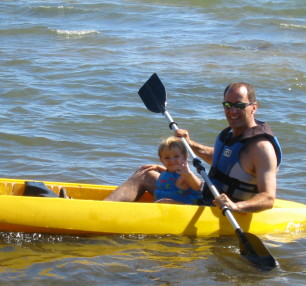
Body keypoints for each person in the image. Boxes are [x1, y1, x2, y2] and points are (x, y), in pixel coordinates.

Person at [105, 82, 282, 213]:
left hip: (220, 210)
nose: (232, 111)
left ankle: (100, 215)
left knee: (164, 203)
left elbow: (268, 198)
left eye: (239, 105)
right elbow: (223, 159)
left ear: (254, 107)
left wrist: (236, 206)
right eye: (227, 105)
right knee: (145, 174)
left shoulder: (261, 148)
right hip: (204, 195)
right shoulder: (230, 134)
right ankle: (101, 209)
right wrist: (190, 144)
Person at [152, 136, 202, 204]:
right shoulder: (166, 172)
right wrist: (158, 167)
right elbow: (172, 173)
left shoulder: (184, 175)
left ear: (185, 157)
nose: (172, 160)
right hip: (168, 208)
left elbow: (198, 186)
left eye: (176, 156)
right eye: (167, 158)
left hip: (186, 208)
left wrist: (188, 174)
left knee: (164, 202)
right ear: (161, 160)